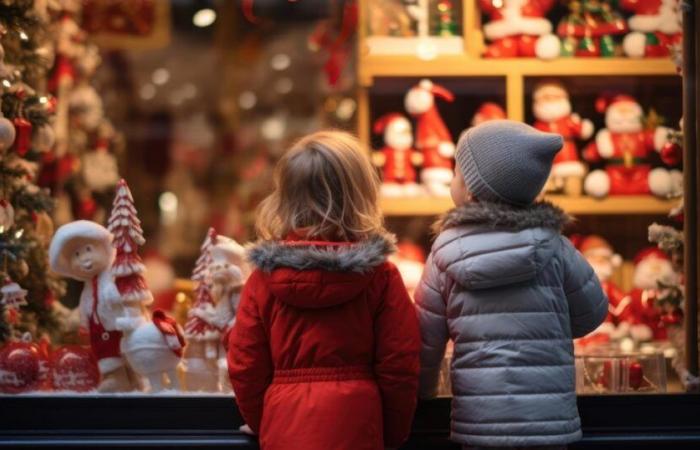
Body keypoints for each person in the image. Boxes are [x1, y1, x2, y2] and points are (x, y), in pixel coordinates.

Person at [415, 120, 608, 450]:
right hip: (548, 423)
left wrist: (425, 392)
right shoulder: (556, 248)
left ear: (473, 189)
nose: (451, 180)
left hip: (480, 421)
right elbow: (592, 314)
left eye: (456, 173)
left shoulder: (445, 254)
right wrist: (551, 327)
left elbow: (425, 340)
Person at [227, 131, 421, 450]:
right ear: (362, 194)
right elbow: (400, 365)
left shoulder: (263, 279)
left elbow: (245, 365)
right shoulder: (381, 277)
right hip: (360, 427)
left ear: (285, 197)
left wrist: (268, 422)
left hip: (284, 430)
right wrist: (392, 433)